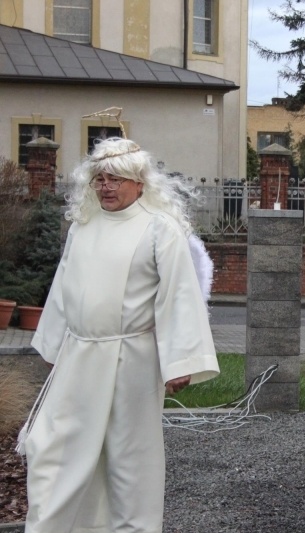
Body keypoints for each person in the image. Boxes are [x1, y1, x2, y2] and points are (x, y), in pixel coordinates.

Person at [21, 137, 220, 533]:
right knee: (54, 452)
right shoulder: (84, 224)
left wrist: (179, 362)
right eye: (99, 178)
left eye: (115, 179)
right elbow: (63, 286)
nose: (106, 187)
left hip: (133, 359)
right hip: (78, 358)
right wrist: (53, 341)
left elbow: (179, 296)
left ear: (139, 182)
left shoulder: (159, 229)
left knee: (129, 461)